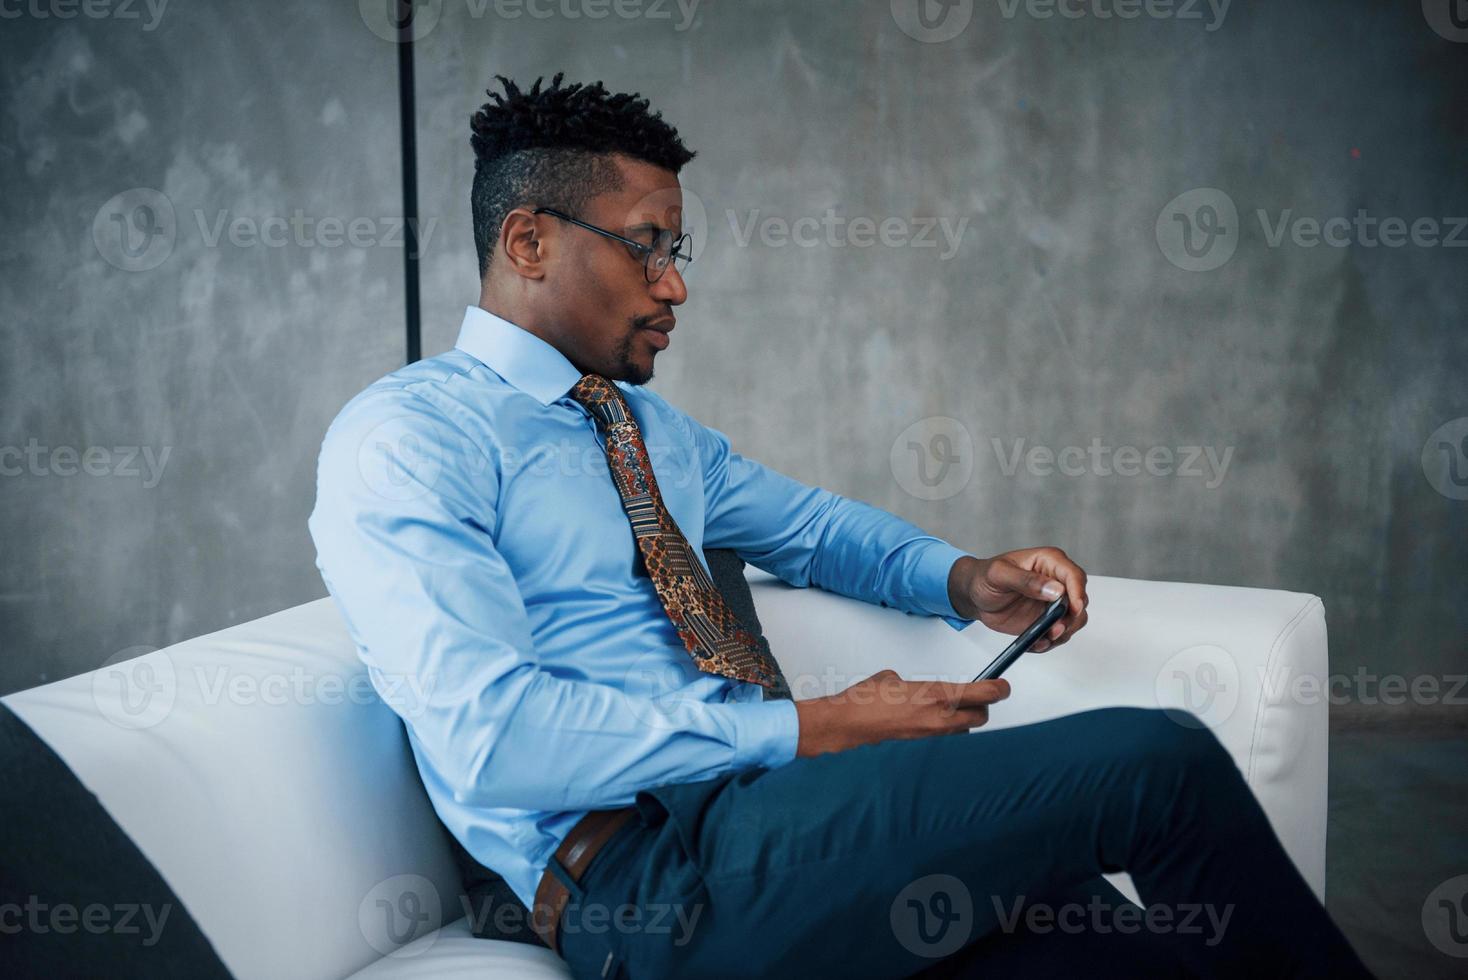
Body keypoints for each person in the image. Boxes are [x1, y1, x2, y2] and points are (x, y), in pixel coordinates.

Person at [308, 73, 1372, 979]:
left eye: (679, 247)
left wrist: (963, 579)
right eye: (645, 247)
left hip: (786, 826)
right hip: (648, 881)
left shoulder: (649, 429)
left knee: (1099, 928)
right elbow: (496, 739)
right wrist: (815, 724)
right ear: (529, 239)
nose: (675, 283)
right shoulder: (407, 440)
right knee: (1154, 759)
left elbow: (812, 527)